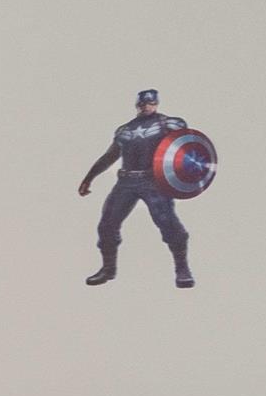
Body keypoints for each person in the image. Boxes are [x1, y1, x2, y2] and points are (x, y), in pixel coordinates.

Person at [77, 89, 194, 288]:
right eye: (143, 103)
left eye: (151, 102)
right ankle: (108, 269)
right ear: (137, 105)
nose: (147, 106)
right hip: (126, 182)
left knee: (168, 223)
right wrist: (89, 178)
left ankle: (182, 269)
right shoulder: (125, 130)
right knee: (107, 225)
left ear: (156, 103)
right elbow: (110, 156)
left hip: (153, 181)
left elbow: (187, 148)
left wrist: (187, 172)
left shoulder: (167, 124)